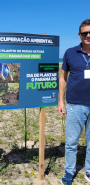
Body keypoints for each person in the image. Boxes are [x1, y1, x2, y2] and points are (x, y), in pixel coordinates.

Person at [58, 19, 90, 185]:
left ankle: (89, 172)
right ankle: (69, 172)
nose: (88, 35)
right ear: (79, 35)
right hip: (75, 104)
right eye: (85, 33)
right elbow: (63, 78)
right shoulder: (70, 53)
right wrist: (60, 101)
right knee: (71, 143)